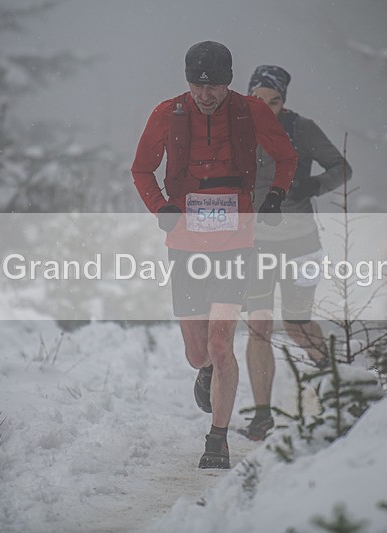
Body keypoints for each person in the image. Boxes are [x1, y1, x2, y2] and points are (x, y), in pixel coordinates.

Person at [131, 43, 297, 469]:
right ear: (188, 81)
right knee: (197, 351)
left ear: (228, 80)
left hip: (235, 241)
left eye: (215, 85)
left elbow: (286, 156)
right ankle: (204, 369)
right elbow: (141, 169)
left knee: (222, 344)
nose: (206, 94)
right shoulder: (167, 113)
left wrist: (276, 195)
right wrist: (161, 207)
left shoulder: (250, 111)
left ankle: (216, 441)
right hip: (185, 241)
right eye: (197, 85)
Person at [240, 65, 352, 441]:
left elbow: (342, 167)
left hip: (301, 241)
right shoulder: (235, 127)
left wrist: (313, 185)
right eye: (258, 99)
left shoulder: (301, 128)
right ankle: (261, 415)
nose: (266, 107)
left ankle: (336, 386)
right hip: (253, 243)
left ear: (284, 101)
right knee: (258, 326)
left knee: (296, 324)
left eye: (274, 101)